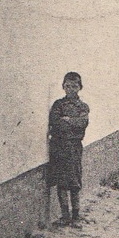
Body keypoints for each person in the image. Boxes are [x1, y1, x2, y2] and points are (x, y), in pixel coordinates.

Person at [48, 72, 89, 226]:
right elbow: (55, 122)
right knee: (62, 181)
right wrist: (70, 122)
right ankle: (65, 214)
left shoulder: (83, 107)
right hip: (59, 147)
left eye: (74, 86)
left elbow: (82, 123)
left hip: (74, 147)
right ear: (63, 87)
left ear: (80, 88)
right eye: (67, 86)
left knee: (75, 180)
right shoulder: (58, 105)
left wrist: (69, 120)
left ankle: (76, 214)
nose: (70, 89)